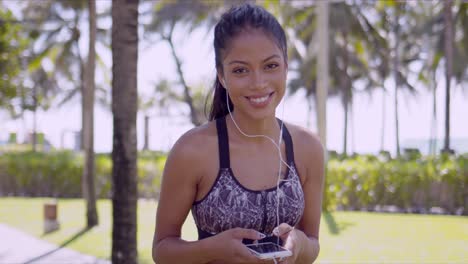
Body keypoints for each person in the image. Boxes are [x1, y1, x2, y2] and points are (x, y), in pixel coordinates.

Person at [152, 3, 324, 264]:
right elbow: (162, 250)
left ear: (286, 67)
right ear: (222, 76)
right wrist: (215, 249)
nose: (258, 83)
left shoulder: (307, 147)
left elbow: (312, 243)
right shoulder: (192, 151)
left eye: (270, 66)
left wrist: (298, 244)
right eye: (241, 70)